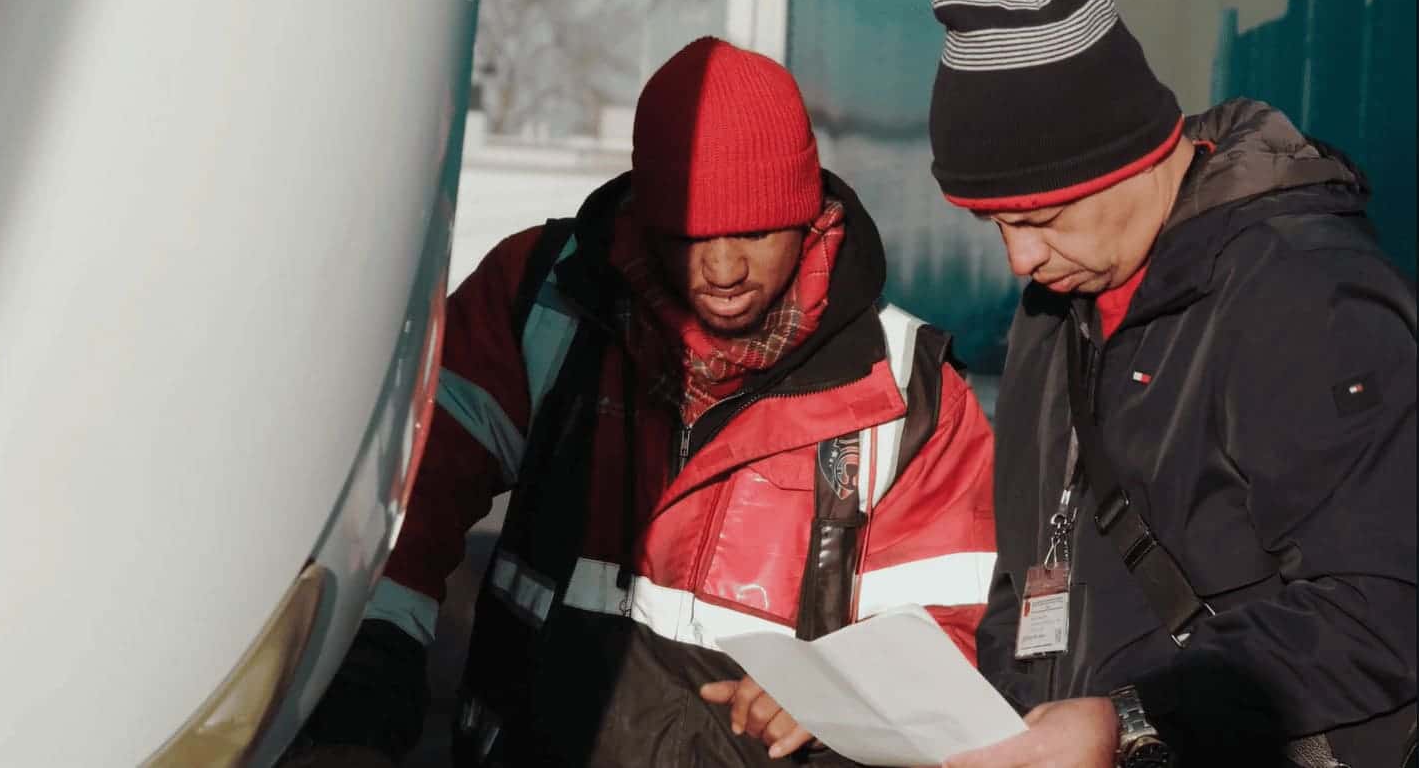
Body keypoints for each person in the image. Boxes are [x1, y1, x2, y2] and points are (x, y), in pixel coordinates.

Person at [289, 37, 997, 767]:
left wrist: (842, 694)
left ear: (808, 211)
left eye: (754, 231)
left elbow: (965, 632)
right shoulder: (544, 301)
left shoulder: (909, 394)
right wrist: (357, 705)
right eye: (689, 236)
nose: (723, 269)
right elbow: (399, 504)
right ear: (646, 215)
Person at [918, 0, 1417, 767]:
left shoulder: (1304, 297)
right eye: (995, 224)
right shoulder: (1053, 308)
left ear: (1133, 155)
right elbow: (1024, 585)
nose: (1020, 259)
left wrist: (1133, 722)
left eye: (1043, 217)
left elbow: (1382, 609)